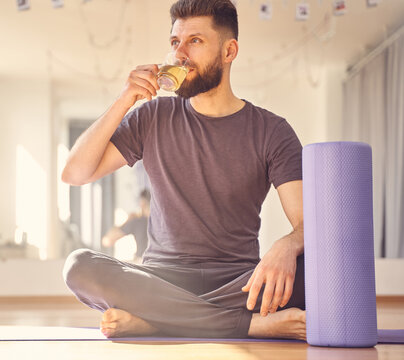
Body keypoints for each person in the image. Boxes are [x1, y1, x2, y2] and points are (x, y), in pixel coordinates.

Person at [62, 0, 306, 340]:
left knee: (314, 269)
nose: (179, 54)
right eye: (175, 42)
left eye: (195, 41)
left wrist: (287, 244)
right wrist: (124, 99)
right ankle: (246, 326)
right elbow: (75, 174)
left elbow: (306, 225)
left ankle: (159, 320)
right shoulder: (152, 117)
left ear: (229, 50)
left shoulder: (272, 130)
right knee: (79, 266)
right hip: (163, 279)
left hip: (239, 283)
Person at [102, 189, 151, 262]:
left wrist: (127, 220)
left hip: (143, 263)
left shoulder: (138, 221)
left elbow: (107, 241)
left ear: (142, 203)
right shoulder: (164, 221)